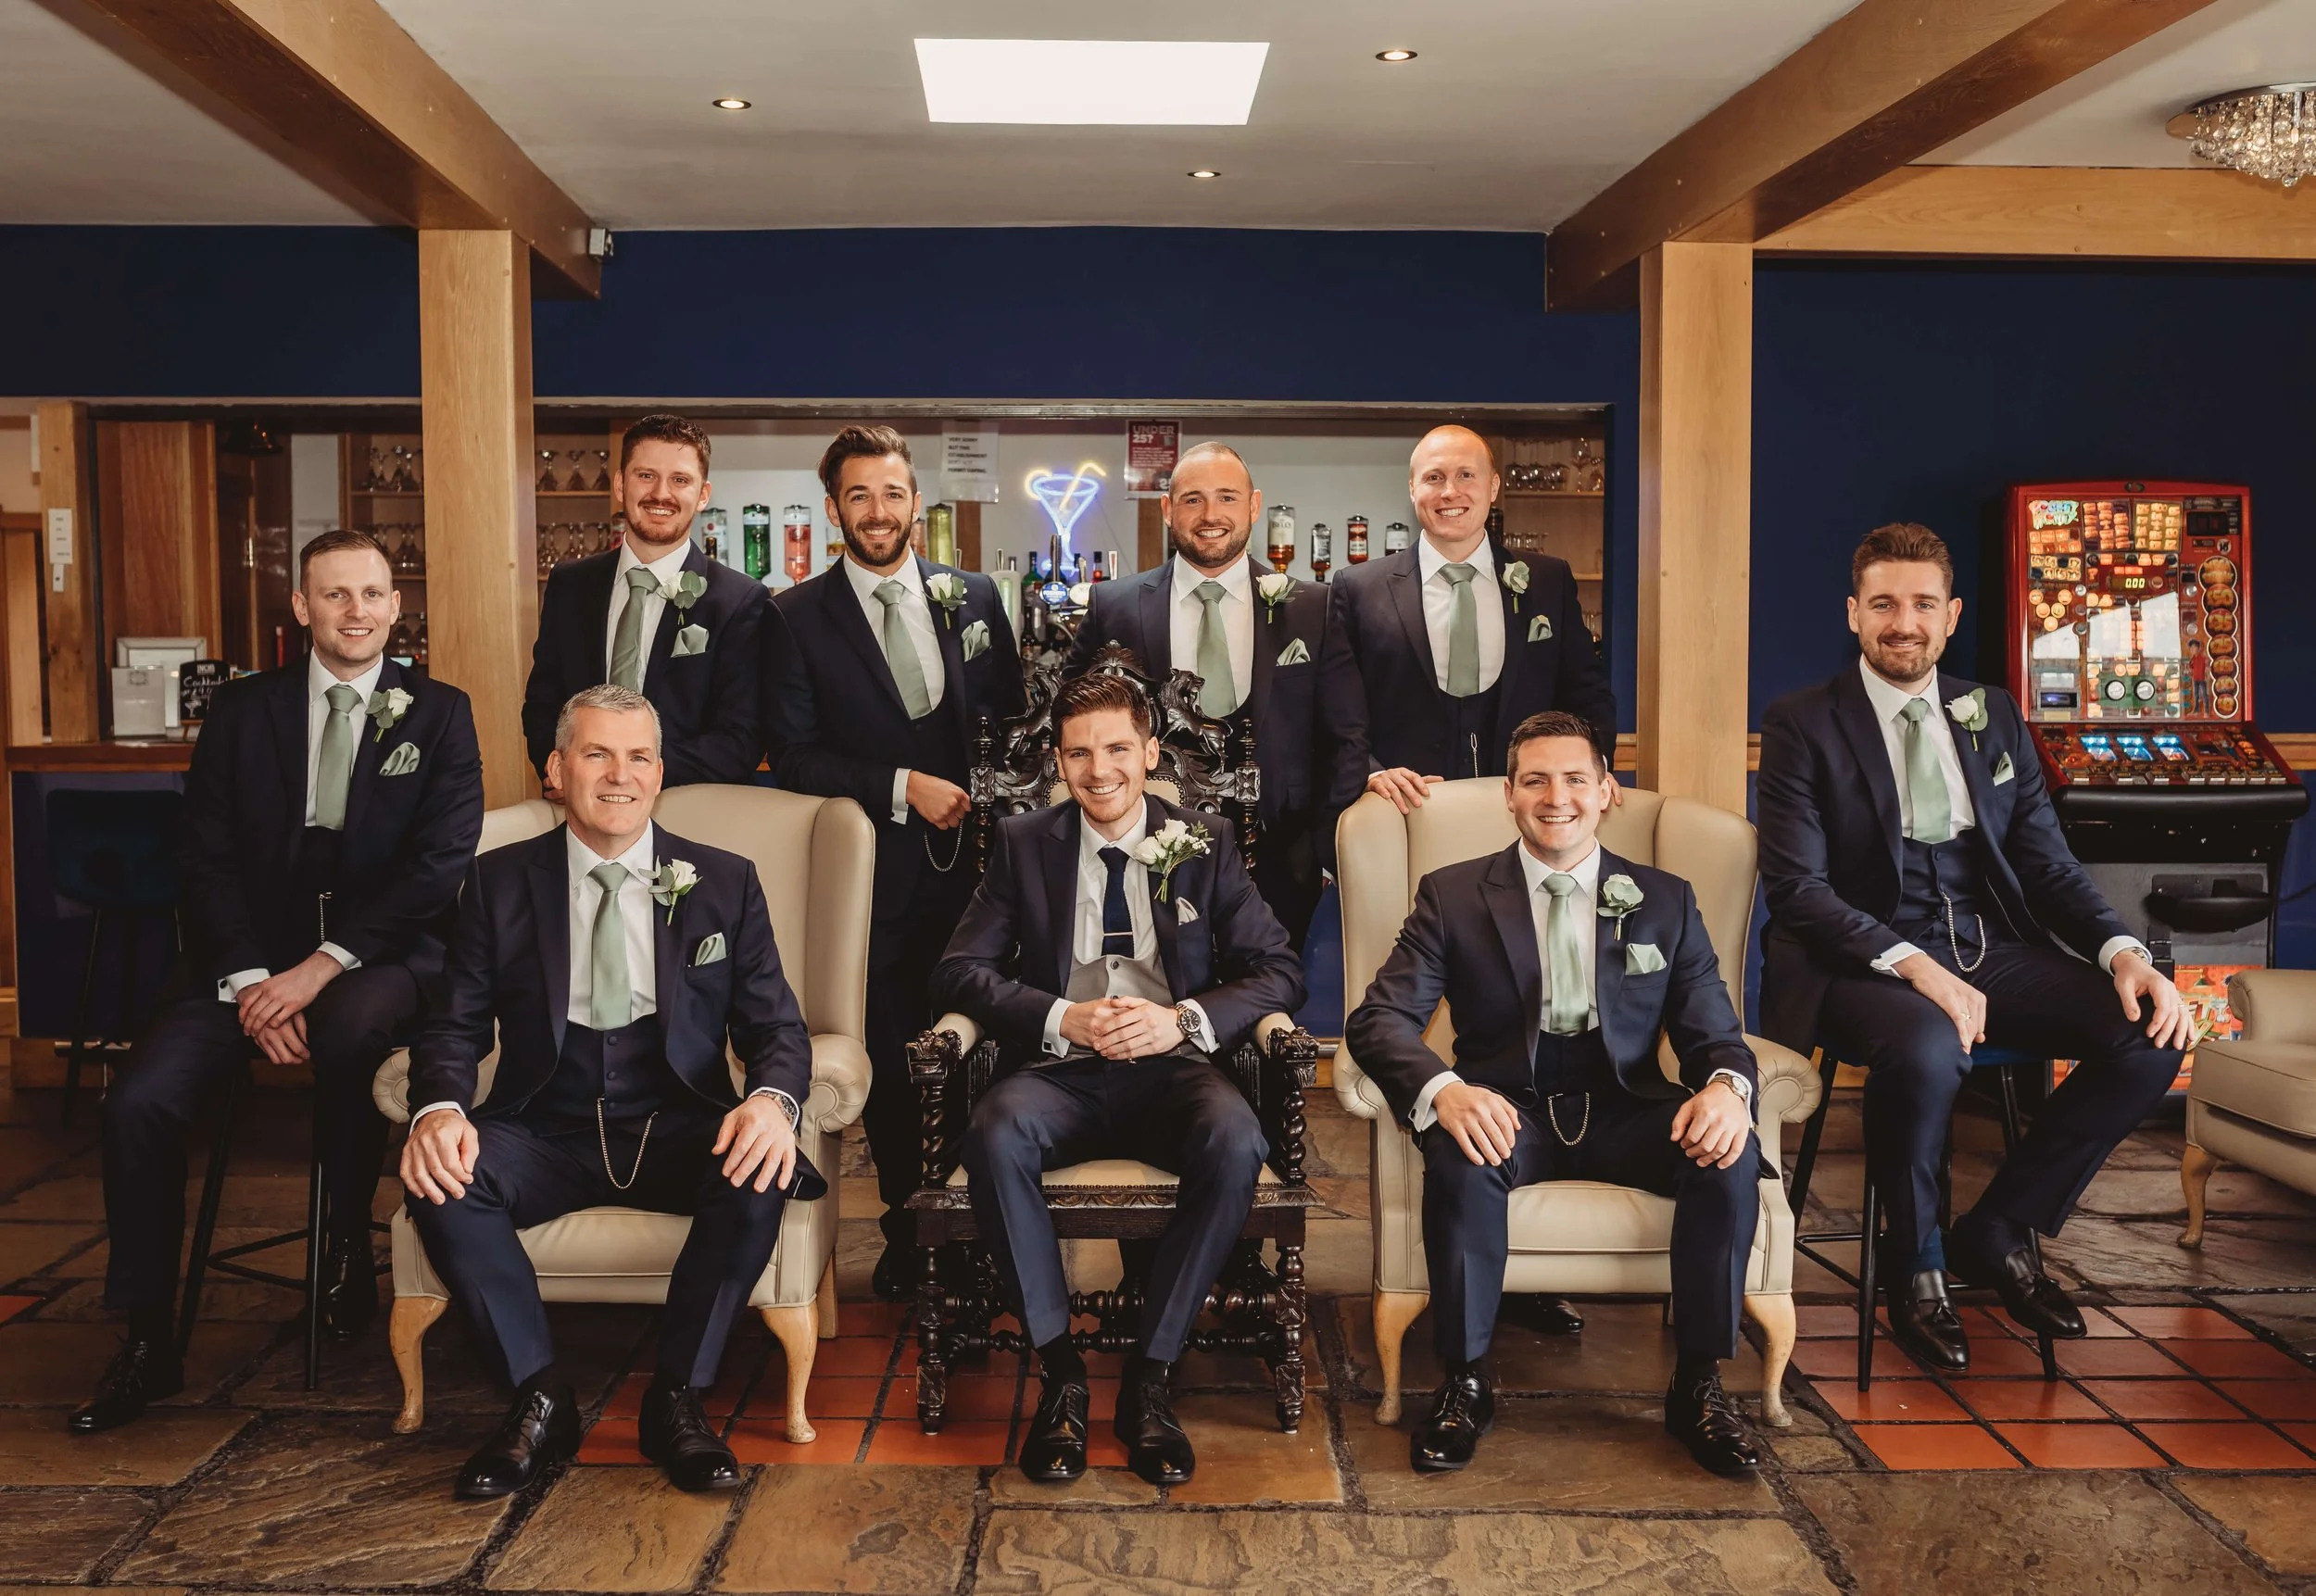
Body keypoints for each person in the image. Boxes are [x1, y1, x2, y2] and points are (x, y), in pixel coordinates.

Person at [72, 529, 483, 1434]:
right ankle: (147, 1332)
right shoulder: (242, 712)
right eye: (335, 595)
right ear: (301, 608)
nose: (357, 612)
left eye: (372, 594)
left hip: (382, 953)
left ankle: (339, 1255)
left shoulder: (440, 712)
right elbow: (203, 856)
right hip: (244, 959)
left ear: (394, 603)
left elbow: (437, 868)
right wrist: (256, 980)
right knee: (137, 1102)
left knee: (348, 1031)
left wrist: (316, 972)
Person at [1756, 522, 2190, 1374]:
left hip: (1986, 944)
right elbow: (1798, 891)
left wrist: (2121, 951)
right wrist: (1914, 967)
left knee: (2148, 1036)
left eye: (1922, 604)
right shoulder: (1802, 721)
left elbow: (2046, 861)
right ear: (1854, 613)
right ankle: (1916, 1269)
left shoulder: (1991, 712)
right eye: (1883, 603)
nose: (1903, 622)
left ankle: (1997, 1225)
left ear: (1950, 616)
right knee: (1925, 1048)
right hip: (1860, 959)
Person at [399, 685, 819, 1498]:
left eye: (637, 757)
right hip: (543, 1125)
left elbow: (778, 1030)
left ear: (660, 774)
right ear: (557, 770)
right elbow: (452, 1026)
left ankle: (678, 1399)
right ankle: (538, 1397)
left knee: (762, 1165)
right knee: (440, 1179)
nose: (618, 775)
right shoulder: (496, 882)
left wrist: (772, 1101)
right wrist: (439, 1109)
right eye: (596, 754)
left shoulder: (724, 882)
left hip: (679, 1118)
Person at [1346, 711, 1762, 1477]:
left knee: (1728, 1150)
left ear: (1608, 792)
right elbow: (1377, 1020)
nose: (1555, 796)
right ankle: (1465, 1381)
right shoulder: (1454, 894)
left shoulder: (1665, 900)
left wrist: (1729, 1089)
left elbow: (1715, 1034)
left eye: (1575, 778)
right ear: (1509, 795)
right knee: (1461, 1148)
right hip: (1509, 1104)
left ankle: (1699, 1384)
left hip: (1630, 1103)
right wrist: (1444, 1089)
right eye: (1534, 779)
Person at [933, 672, 1303, 1487]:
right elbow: (959, 971)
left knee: (1238, 1138)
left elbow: (1279, 969)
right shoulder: (1025, 840)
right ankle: (1060, 1371)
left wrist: (1185, 1020)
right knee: (993, 1132)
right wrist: (1061, 1014)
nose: (1098, 770)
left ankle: (1151, 1374)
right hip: (1060, 1073)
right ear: (1058, 762)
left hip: (1173, 1068)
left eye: (1116, 749)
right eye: (1078, 753)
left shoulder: (1204, 838)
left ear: (1151, 753)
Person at [768, 424, 1024, 1300]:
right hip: (869, 878)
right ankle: (912, 1230)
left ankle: (983, 1223)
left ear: (919, 501)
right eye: (858, 496)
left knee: (981, 1047)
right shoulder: (795, 616)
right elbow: (793, 755)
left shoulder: (976, 595)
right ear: (834, 506)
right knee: (887, 1049)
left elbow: (1014, 723)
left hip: (983, 877)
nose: (878, 512)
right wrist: (900, 784)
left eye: (892, 493)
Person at [1061, 441, 1354, 949]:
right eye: (1193, 499)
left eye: (1227, 498)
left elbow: (1346, 736)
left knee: (1268, 1005)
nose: (1211, 515)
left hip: (1283, 864)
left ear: (1254, 506)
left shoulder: (1315, 607)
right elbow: (1064, 722)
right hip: (1146, 855)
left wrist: (1332, 852)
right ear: (1168, 510)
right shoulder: (1115, 606)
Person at [1324, 425, 1617, 810]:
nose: (1450, 492)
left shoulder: (1549, 580)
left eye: (1466, 475)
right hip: (1406, 810)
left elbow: (1585, 692)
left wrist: (1594, 769)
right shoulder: (1358, 587)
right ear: (1412, 488)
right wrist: (1372, 771)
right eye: (1434, 478)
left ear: (1493, 487)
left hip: (1528, 810)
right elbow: (1337, 708)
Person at [522, 412, 771, 790]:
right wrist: (565, 771)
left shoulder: (739, 600)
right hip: (577, 811)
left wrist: (629, 776)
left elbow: (742, 737)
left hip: (687, 811)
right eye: (646, 475)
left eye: (680, 480)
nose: (661, 494)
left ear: (703, 494)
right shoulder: (570, 584)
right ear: (621, 484)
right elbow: (542, 705)